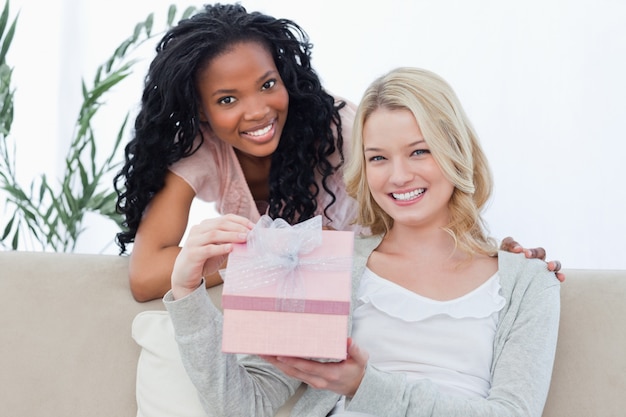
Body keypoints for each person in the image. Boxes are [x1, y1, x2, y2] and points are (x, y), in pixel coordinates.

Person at [164, 67, 561, 416]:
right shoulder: (326, 262)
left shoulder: (527, 280)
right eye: (378, 158)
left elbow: (513, 412)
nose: (399, 176)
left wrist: (363, 385)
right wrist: (186, 293)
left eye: (419, 151)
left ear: (456, 152)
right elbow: (243, 406)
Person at [114, 3, 562, 302]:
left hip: (371, 293)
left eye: (268, 84)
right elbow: (146, 274)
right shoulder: (203, 149)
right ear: (203, 112)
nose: (257, 111)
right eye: (227, 99)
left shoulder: (345, 130)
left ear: (286, 76)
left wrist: (497, 261)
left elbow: (420, 204)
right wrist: (262, 254)